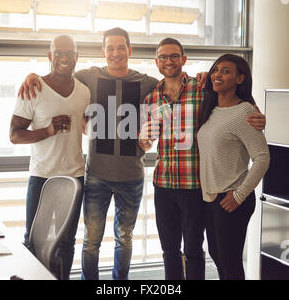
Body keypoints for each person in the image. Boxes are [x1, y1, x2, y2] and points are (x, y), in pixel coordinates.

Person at [17, 28, 159, 280]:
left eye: (121, 47)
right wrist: (31, 76)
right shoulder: (88, 78)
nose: (116, 53)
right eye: (110, 48)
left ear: (130, 50)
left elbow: (171, 88)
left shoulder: (146, 82)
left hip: (131, 176)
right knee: (90, 241)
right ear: (103, 51)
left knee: (124, 240)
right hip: (96, 176)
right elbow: (57, 74)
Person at [138, 39, 266, 280]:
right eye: (163, 57)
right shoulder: (151, 98)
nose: (169, 61)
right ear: (156, 62)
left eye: (174, 56)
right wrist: (142, 140)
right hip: (163, 185)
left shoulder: (203, 87)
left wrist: (259, 115)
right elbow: (146, 141)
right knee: (169, 251)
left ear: (183, 59)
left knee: (195, 251)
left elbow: (238, 104)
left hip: (195, 186)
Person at [9, 35, 90, 280]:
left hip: (75, 176)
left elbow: (86, 125)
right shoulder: (32, 89)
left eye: (69, 53)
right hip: (42, 177)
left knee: (67, 242)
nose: (64, 57)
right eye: (58, 52)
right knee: (34, 240)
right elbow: (14, 135)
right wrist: (47, 131)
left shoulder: (84, 92)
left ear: (77, 56)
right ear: (49, 56)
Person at [197, 54, 270, 280]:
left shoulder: (245, 112)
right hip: (210, 198)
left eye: (226, 71)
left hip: (232, 199)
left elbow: (262, 157)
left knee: (230, 264)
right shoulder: (210, 107)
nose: (218, 75)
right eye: (216, 70)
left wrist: (239, 195)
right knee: (217, 256)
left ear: (240, 79)